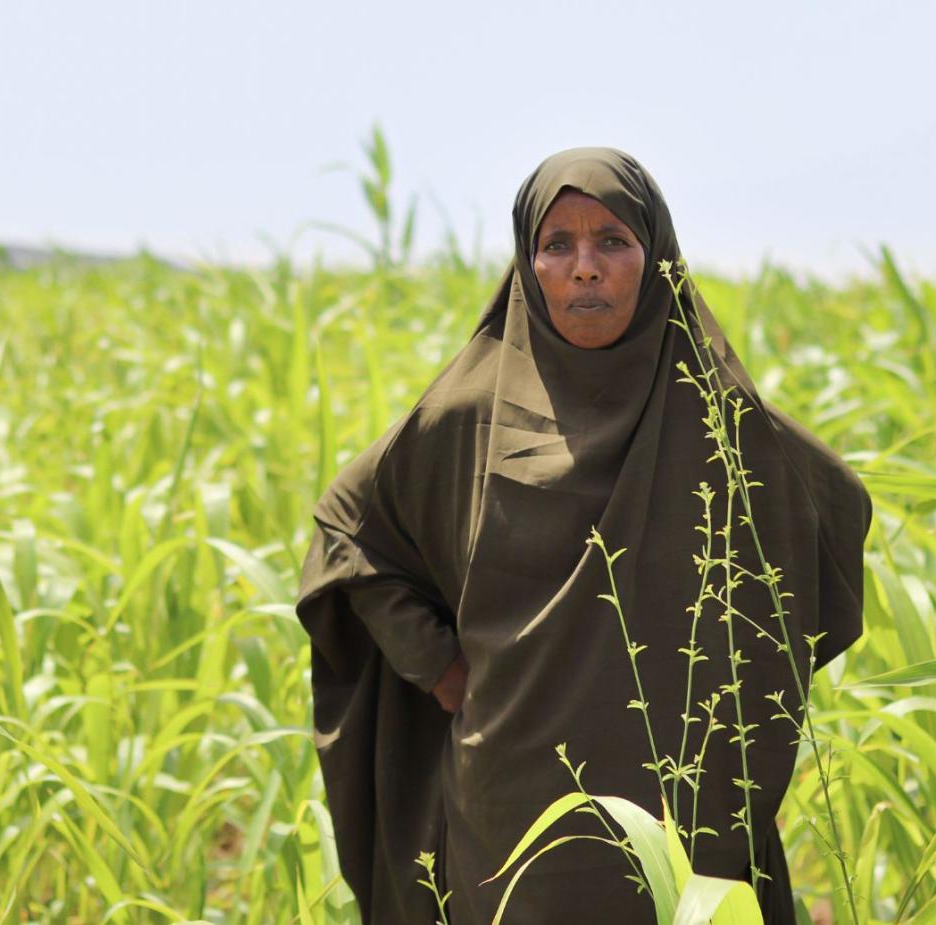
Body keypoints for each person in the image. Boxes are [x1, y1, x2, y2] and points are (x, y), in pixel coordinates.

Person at [295, 147, 873, 924]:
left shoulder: (721, 422)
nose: (584, 267)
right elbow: (348, 534)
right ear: (528, 265)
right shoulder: (468, 417)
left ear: (657, 255)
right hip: (509, 816)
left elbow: (835, 511)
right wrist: (437, 665)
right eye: (556, 244)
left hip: (686, 821)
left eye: (612, 241)